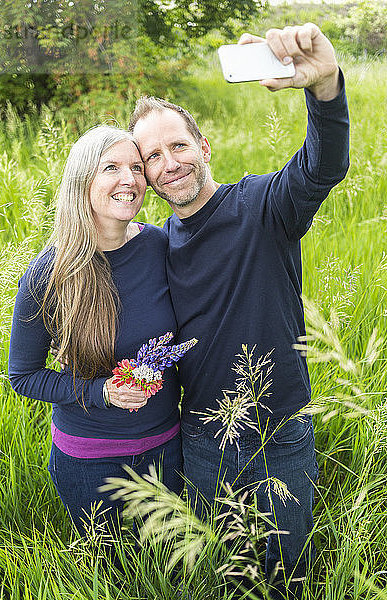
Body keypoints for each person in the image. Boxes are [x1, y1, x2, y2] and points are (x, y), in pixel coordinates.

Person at [129, 23, 350, 599]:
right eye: (153, 155)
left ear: (202, 148)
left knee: (283, 583)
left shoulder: (261, 205)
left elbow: (322, 168)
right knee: (224, 581)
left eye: (178, 145)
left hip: (279, 436)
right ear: (147, 176)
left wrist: (324, 86)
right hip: (201, 442)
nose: (169, 161)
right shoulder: (154, 246)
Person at [8, 126, 183, 543]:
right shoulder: (48, 275)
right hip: (90, 462)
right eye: (112, 168)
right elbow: (23, 375)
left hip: (167, 451)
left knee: (172, 571)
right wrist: (101, 391)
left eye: (136, 168)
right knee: (106, 574)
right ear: (83, 181)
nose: (130, 179)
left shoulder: (161, 245)